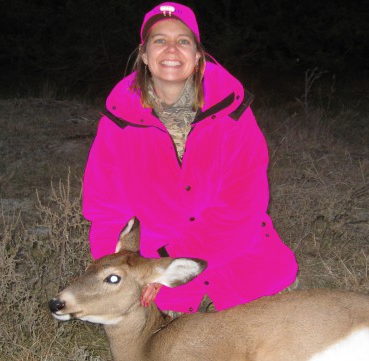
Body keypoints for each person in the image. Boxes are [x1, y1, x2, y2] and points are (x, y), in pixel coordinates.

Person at [82, 2, 298, 313]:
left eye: (183, 40)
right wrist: (122, 275)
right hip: (163, 285)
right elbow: (106, 211)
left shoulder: (233, 114)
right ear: (144, 55)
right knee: (155, 357)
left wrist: (166, 265)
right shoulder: (118, 122)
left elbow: (240, 210)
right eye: (160, 40)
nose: (171, 49)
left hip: (242, 266)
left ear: (198, 56)